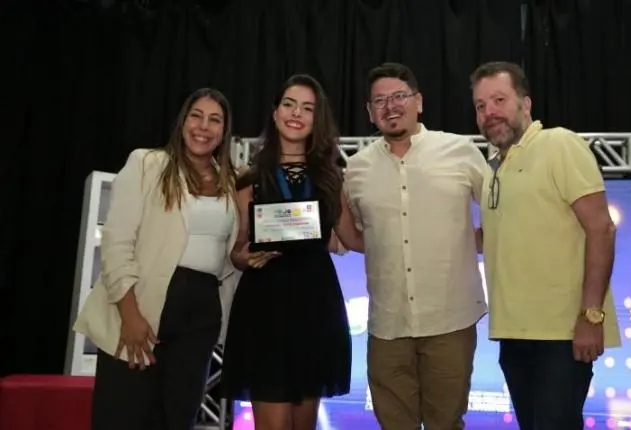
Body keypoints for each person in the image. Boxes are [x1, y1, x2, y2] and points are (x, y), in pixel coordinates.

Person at [73, 88, 242, 430]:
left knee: (176, 418)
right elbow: (117, 242)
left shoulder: (232, 181)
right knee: (124, 415)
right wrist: (130, 315)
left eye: (214, 120)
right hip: (143, 307)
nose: (204, 127)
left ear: (224, 131)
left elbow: (231, 252)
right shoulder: (147, 164)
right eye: (196, 116)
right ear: (182, 121)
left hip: (200, 317)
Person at [470, 61, 621, 429]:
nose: (489, 112)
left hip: (563, 335)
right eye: (480, 106)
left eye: (499, 100)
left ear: (526, 104)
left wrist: (591, 317)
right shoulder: (493, 170)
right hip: (513, 335)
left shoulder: (558, 144)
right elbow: (497, 238)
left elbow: (601, 228)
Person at [343, 62, 488, 430]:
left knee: (446, 423)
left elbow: (500, 213)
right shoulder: (357, 168)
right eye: (380, 101)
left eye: (399, 96)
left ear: (418, 102)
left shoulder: (459, 151)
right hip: (388, 325)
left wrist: (467, 242)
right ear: (370, 112)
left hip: (450, 320)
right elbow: (355, 236)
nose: (390, 106)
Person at [221, 74, 364, 430]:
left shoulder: (331, 178)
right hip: (264, 307)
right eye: (289, 104)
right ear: (275, 113)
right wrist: (242, 257)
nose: (296, 113)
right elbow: (236, 249)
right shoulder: (248, 177)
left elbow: (354, 239)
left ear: (318, 119)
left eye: (307, 108)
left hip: (315, 307)